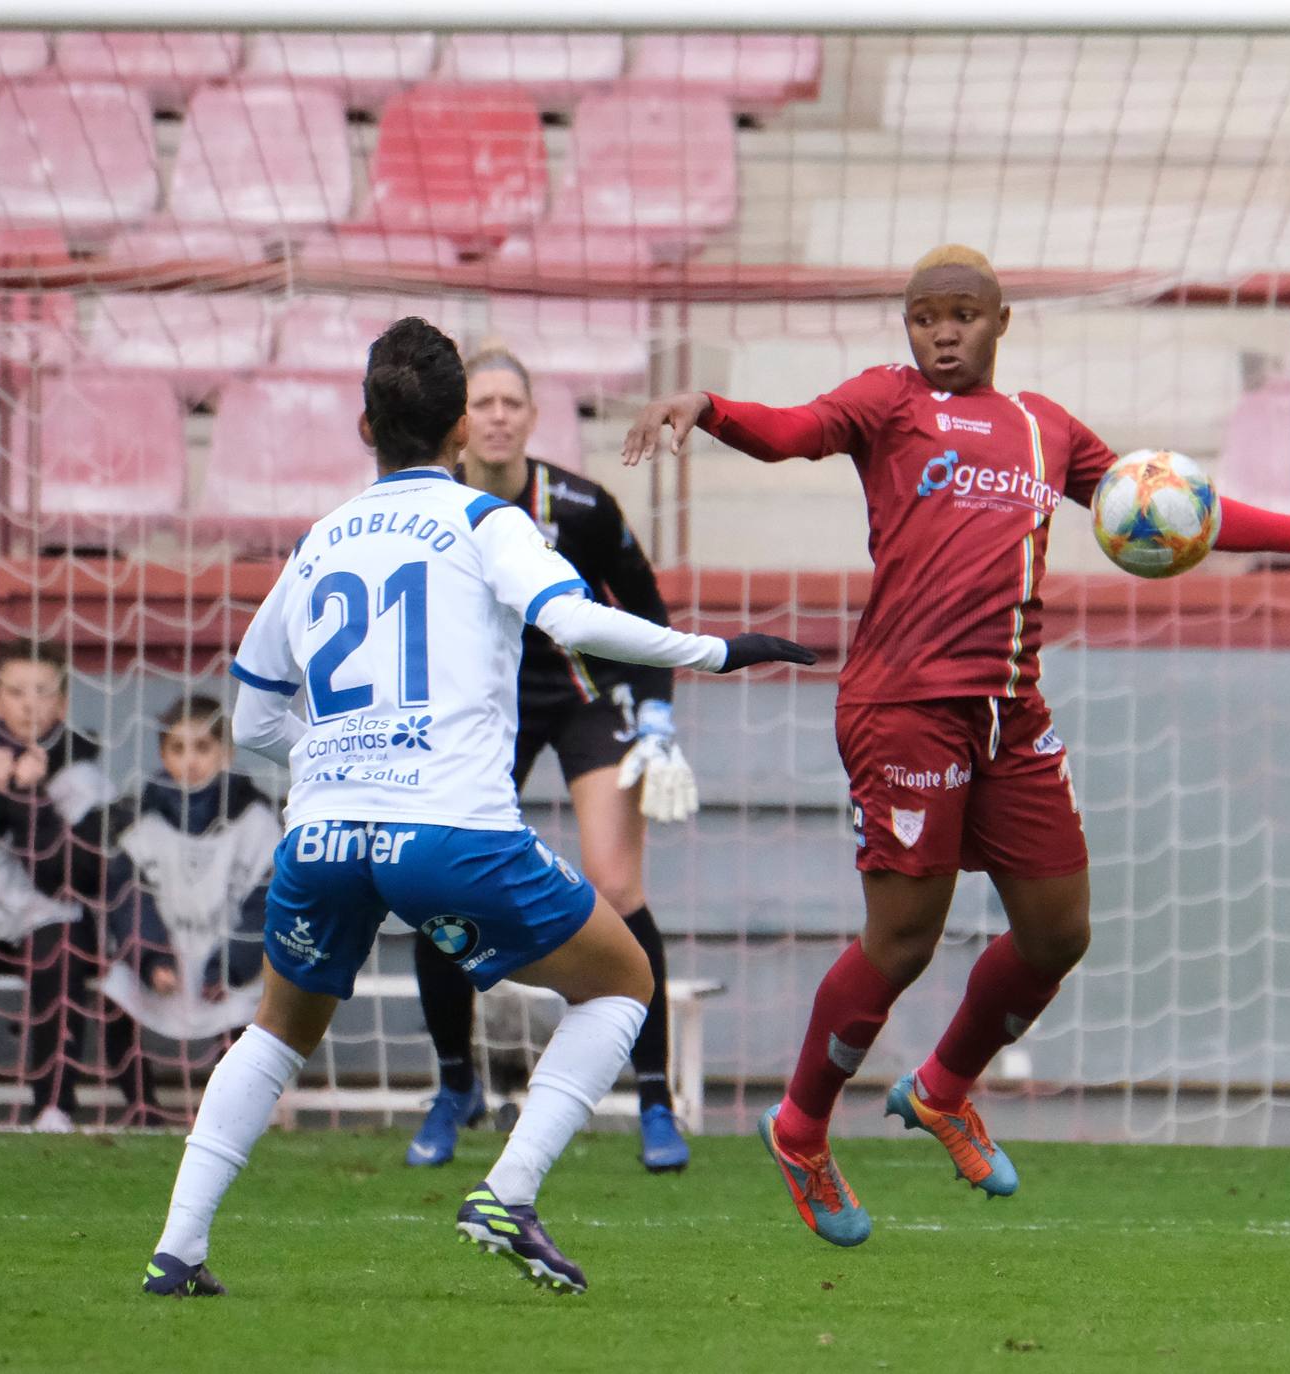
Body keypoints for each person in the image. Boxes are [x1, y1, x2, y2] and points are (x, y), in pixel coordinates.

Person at [622, 244, 1290, 1248]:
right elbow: (792, 432)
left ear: (1001, 322)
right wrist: (714, 409)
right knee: (903, 938)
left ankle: (943, 1089)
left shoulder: (1046, 429)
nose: (941, 332)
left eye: (962, 315)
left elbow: (1179, 510)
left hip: (1010, 711)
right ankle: (801, 1125)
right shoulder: (887, 403)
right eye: (923, 317)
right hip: (905, 706)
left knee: (1058, 932)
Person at [141, 317, 813, 1298]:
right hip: (445, 830)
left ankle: (178, 1251)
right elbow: (571, 617)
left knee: (279, 1030)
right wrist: (718, 652)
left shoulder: (318, 539)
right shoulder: (484, 520)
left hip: (321, 831)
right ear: (461, 428)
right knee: (623, 981)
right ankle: (509, 1193)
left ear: (365, 425)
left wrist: (334, 755)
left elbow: (250, 718)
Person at [404, 345, 695, 1174]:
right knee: (436, 881)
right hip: (476, 712)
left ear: (533, 417)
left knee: (619, 885)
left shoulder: (581, 504)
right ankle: (453, 1086)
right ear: (460, 419)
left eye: (511, 402)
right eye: (482, 401)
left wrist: (659, 716)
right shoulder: (430, 507)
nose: (496, 415)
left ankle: (654, 1097)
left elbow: (644, 612)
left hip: (580, 700)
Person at [0, 638, 171, 1129]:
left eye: (43, 692)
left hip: (48, 923)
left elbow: (72, 877)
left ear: (63, 702)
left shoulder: (84, 780)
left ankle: (54, 1107)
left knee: (63, 955)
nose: (29, 703)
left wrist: (33, 798)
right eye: (17, 691)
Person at [102, 696, 277, 1052]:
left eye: (202, 747)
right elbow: (129, 903)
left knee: (249, 1027)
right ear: (164, 756)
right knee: (113, 992)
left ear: (226, 753)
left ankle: (236, 1106)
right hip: (167, 955)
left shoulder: (257, 821)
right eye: (178, 748)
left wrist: (230, 968)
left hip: (231, 961)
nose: (190, 760)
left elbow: (266, 907)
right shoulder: (142, 823)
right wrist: (152, 960)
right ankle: (140, 1106)